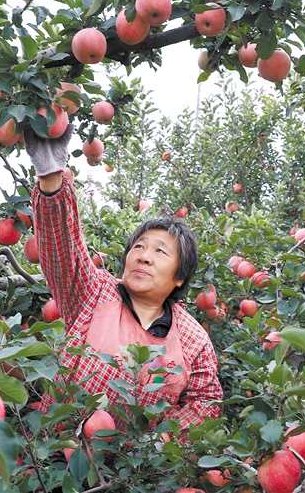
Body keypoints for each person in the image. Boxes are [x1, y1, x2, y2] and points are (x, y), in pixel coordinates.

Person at [25, 125, 223, 437]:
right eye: (139, 247)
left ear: (179, 277)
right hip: (58, 461)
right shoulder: (95, 294)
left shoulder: (193, 340)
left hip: (136, 477)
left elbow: (206, 401)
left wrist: (162, 443)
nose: (144, 256)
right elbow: (63, 252)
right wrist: (51, 178)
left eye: (160, 251)